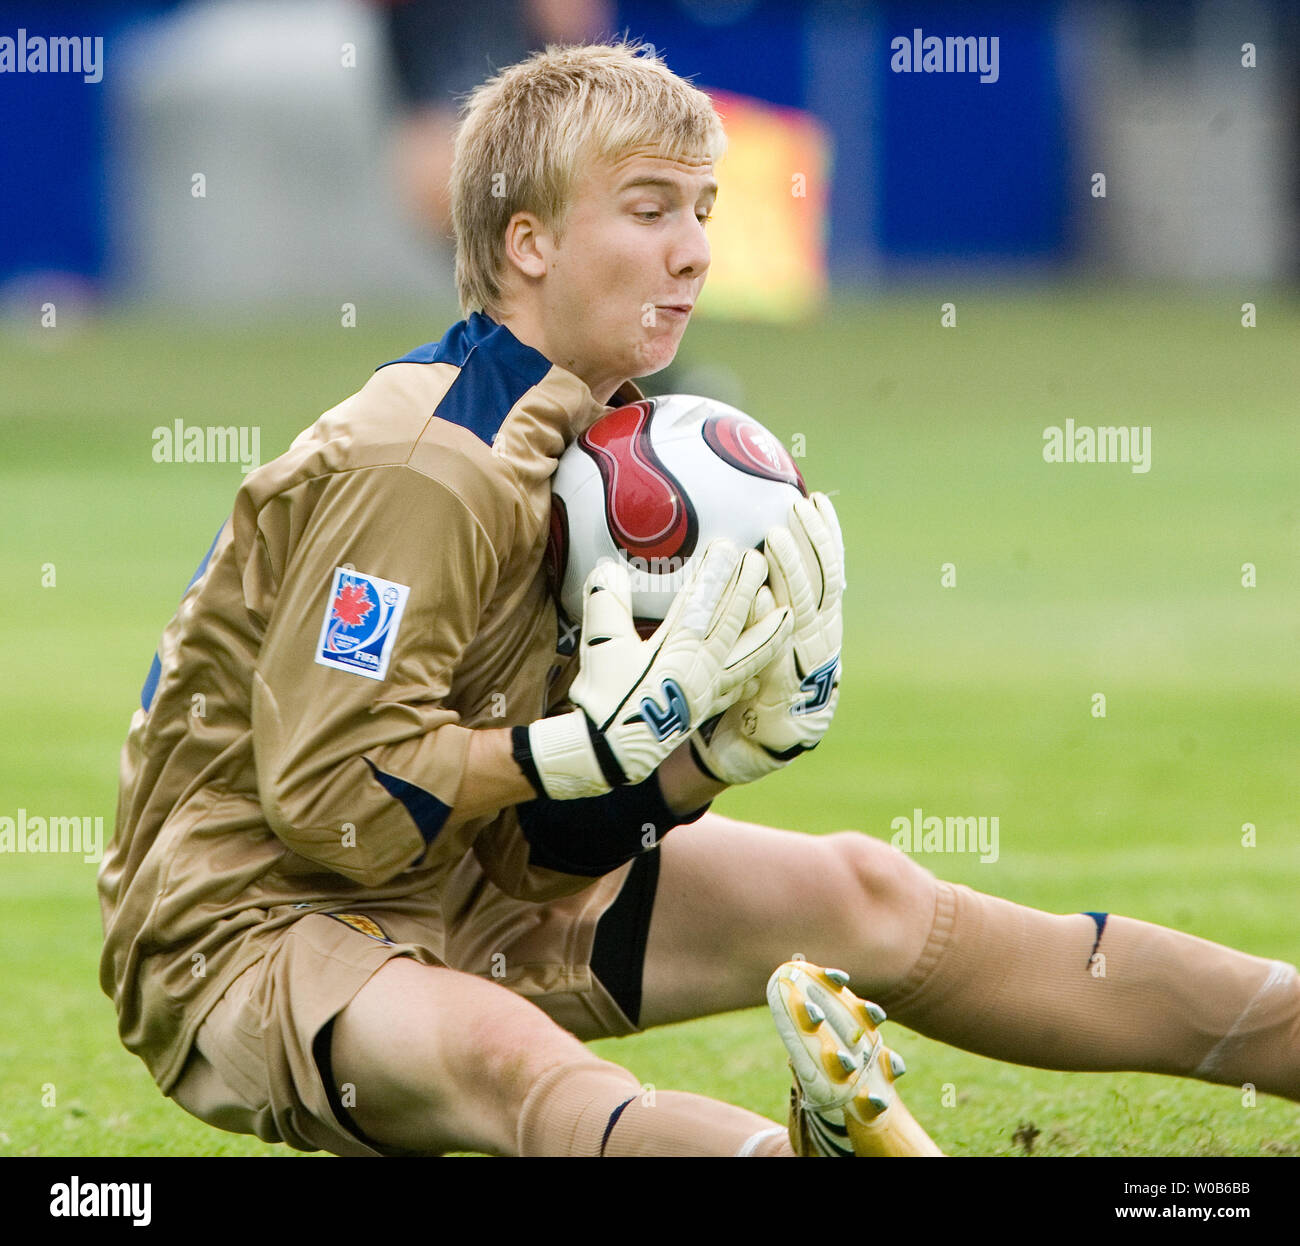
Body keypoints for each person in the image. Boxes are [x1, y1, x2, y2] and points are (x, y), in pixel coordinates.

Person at [100, 39, 1300, 1160]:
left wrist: (705, 761)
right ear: (527, 243)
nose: (693, 250)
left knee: (864, 893)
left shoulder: (603, 442)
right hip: (252, 929)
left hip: (454, 877)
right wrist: (567, 748)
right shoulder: (427, 462)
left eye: (703, 211)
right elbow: (331, 805)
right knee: (506, 1053)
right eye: (649, 209)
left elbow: (535, 862)